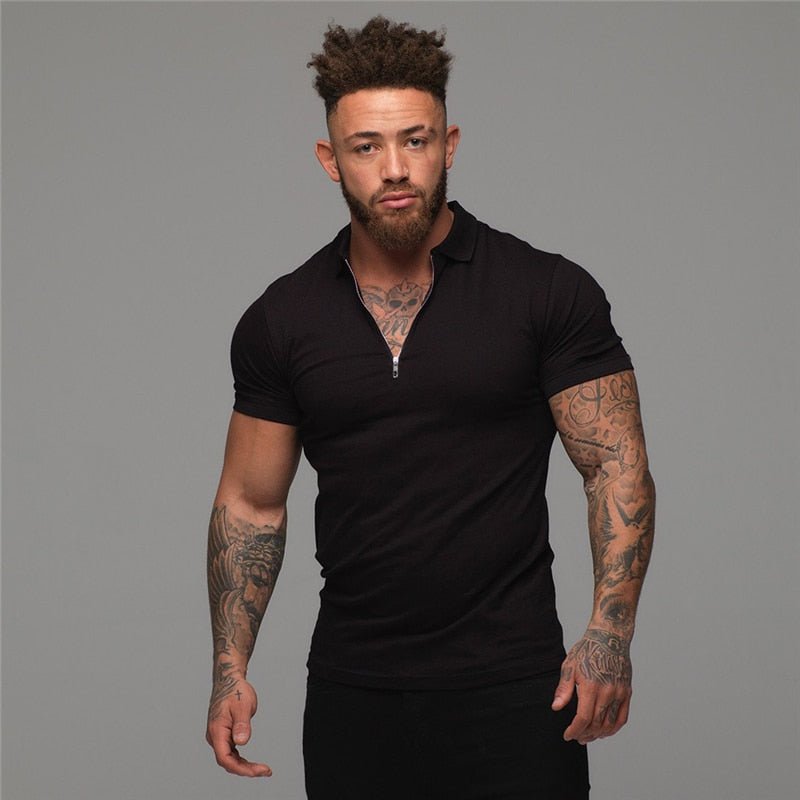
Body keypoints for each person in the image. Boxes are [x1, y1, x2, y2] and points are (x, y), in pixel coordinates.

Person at [205, 16, 655, 800]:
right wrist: (229, 668)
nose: (394, 168)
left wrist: (609, 635)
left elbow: (616, 466)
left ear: (448, 144)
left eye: (414, 140)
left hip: (516, 690)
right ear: (330, 159)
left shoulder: (546, 291)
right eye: (366, 147)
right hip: (354, 695)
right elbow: (251, 504)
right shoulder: (283, 319)